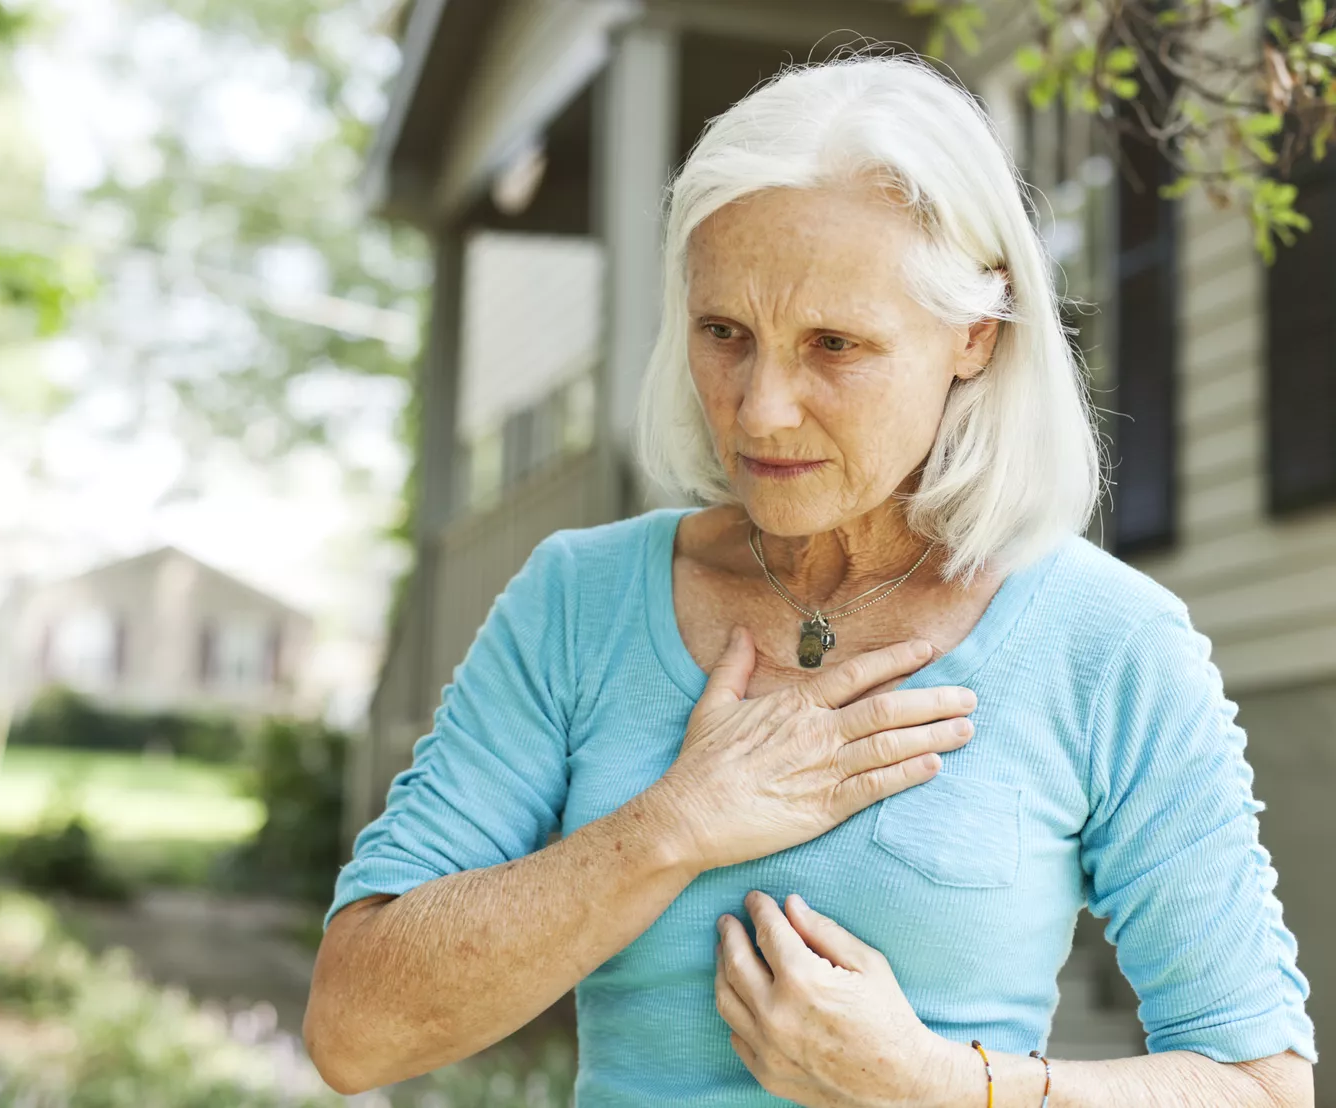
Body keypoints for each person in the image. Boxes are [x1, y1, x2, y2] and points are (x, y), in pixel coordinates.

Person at [304, 49, 1318, 1107]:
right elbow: (353, 1033)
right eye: (724, 333)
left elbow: (1260, 1085)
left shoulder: (1108, 642)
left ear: (975, 334)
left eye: (834, 344)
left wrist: (937, 1084)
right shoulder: (578, 602)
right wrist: (673, 824)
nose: (760, 409)